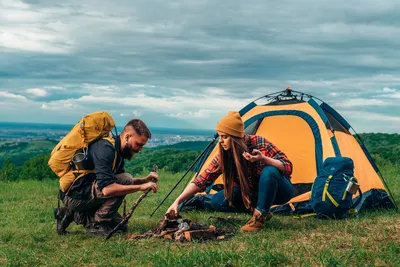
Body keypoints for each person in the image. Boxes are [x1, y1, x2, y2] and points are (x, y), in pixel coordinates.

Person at [166, 111, 294, 232]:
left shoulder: (259, 143)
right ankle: (260, 209)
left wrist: (263, 159)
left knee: (270, 171)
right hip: (251, 194)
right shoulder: (224, 155)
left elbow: (288, 166)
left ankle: (259, 218)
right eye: (220, 137)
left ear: (236, 138)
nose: (220, 141)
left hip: (280, 191)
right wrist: (177, 202)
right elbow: (201, 181)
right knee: (218, 201)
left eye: (225, 137)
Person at [56, 119, 159, 236]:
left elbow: (116, 181)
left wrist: (144, 180)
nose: (140, 149)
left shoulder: (117, 152)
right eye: (139, 144)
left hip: (85, 192)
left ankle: (69, 214)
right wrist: (141, 187)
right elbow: (108, 189)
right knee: (126, 179)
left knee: (122, 225)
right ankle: (97, 224)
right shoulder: (105, 149)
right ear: (127, 137)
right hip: (74, 196)